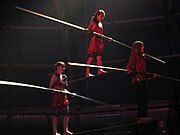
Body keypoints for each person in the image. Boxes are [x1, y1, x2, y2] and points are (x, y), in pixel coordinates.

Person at [127, 41, 154, 123]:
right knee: (141, 100)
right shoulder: (133, 57)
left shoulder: (141, 57)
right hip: (137, 81)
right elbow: (129, 69)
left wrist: (151, 75)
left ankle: (143, 116)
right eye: (142, 46)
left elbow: (143, 71)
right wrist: (131, 71)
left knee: (144, 100)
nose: (143, 48)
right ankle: (141, 117)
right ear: (138, 48)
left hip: (142, 80)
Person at [49, 61, 73, 135]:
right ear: (57, 67)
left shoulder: (64, 77)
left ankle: (65, 131)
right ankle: (55, 132)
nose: (63, 68)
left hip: (63, 98)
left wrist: (70, 93)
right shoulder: (54, 76)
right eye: (62, 66)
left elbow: (64, 89)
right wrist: (57, 89)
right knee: (56, 115)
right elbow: (50, 87)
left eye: (64, 67)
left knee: (66, 114)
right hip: (56, 98)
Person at [85, 9, 108, 78]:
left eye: (103, 17)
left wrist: (107, 38)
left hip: (99, 41)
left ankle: (99, 70)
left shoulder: (101, 24)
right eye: (101, 16)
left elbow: (101, 34)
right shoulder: (93, 22)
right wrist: (87, 30)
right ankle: (87, 73)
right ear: (97, 15)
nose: (102, 18)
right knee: (91, 58)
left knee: (99, 57)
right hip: (94, 41)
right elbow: (88, 29)